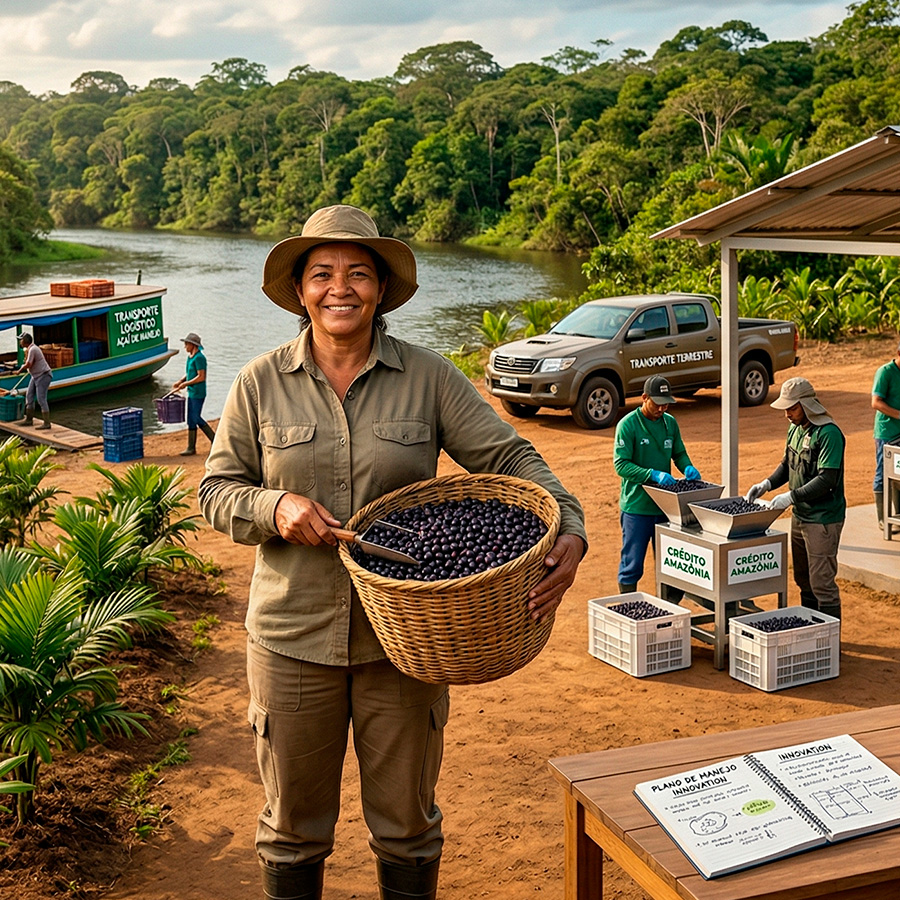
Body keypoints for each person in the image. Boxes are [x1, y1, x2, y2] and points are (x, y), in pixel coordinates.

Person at [197, 205, 587, 900]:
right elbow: (217, 492)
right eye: (322, 273)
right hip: (291, 640)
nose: (338, 287)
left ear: (380, 289)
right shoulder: (259, 382)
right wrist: (275, 506)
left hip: (404, 645)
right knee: (291, 827)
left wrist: (573, 528)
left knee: (407, 824)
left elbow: (510, 454)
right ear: (300, 291)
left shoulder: (429, 377)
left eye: (357, 273)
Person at [745, 376, 845, 619]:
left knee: (822, 582)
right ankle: (811, 632)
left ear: (807, 404)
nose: (787, 414)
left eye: (792, 408)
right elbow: (787, 465)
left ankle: (830, 642)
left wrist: (790, 496)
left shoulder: (828, 434)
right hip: (801, 516)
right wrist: (767, 484)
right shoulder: (795, 429)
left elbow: (827, 480)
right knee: (804, 579)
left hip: (822, 520)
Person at [613, 374, 701, 597]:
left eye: (667, 403)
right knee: (632, 562)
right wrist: (652, 475)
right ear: (644, 397)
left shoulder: (670, 423)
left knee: (668, 560)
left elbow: (679, 453)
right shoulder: (628, 425)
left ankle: (670, 606)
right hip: (637, 507)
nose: (663, 408)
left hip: (666, 507)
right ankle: (628, 602)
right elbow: (621, 465)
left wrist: (688, 467)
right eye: (658, 403)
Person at [871, 340, 900, 532]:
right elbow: (876, 402)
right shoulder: (886, 372)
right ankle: (883, 518)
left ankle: (897, 514)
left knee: (899, 474)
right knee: (884, 473)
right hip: (887, 433)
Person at [172, 332, 214, 456]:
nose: (185, 347)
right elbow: (190, 373)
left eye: (186, 344)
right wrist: (181, 381)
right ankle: (191, 448)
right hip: (191, 392)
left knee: (196, 417)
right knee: (190, 419)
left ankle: (215, 440)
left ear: (192, 345)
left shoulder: (200, 358)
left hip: (198, 393)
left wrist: (185, 384)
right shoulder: (190, 357)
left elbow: (201, 377)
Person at [14, 332, 53, 430]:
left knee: (41, 399)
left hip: (43, 375)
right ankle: (29, 420)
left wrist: (19, 370)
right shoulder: (29, 349)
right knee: (29, 396)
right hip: (35, 375)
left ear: (25, 341)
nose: (20, 342)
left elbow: (29, 364)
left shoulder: (33, 349)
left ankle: (47, 423)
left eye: (21, 340)